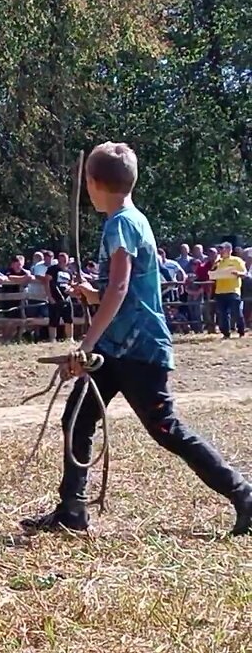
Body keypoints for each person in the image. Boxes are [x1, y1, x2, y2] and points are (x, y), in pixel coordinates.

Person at [20, 142, 252, 535]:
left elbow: (122, 287)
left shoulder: (120, 224)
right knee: (77, 418)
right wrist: (94, 294)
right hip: (116, 347)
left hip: (138, 349)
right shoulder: (131, 219)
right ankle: (72, 511)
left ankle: (245, 495)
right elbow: (120, 288)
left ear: (93, 183)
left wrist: (86, 342)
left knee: (167, 430)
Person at [212, 241, 247, 338]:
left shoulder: (237, 260)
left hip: (233, 290)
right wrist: (214, 265)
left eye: (223, 249)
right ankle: (225, 333)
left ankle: (241, 330)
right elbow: (211, 274)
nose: (221, 251)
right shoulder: (218, 262)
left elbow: (244, 274)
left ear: (229, 250)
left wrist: (237, 273)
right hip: (220, 291)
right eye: (220, 249)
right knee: (223, 314)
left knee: (236, 312)